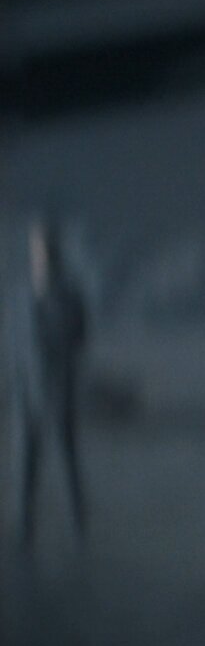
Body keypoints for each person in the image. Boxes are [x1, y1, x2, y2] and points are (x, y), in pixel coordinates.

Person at [8, 217, 90, 551]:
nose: (41, 255)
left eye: (45, 248)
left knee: (67, 467)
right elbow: (16, 342)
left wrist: (65, 376)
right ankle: (24, 535)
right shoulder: (22, 295)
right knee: (26, 472)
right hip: (26, 393)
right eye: (36, 248)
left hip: (58, 392)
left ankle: (79, 534)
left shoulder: (70, 297)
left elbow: (79, 339)